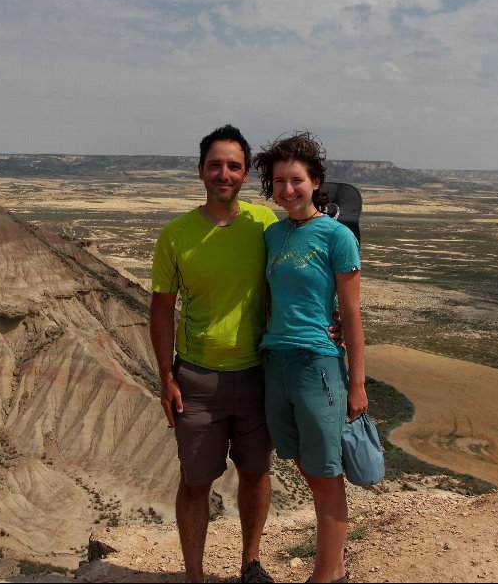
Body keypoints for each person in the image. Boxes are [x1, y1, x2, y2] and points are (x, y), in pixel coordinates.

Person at [150, 124, 278, 584]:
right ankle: (194, 577)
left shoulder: (265, 225)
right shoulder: (176, 235)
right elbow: (162, 310)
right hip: (198, 381)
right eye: (216, 165)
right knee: (196, 482)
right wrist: (165, 375)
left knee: (255, 472)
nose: (224, 173)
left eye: (234, 166)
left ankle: (250, 563)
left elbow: (302, 277)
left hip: (258, 373)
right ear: (201, 170)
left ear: (246, 175)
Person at [252, 132, 367, 584]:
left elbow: (353, 314)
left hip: (317, 366)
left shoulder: (337, 236)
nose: (287, 189)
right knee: (302, 462)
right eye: (279, 181)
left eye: (296, 180)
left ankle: (324, 578)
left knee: (325, 475)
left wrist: (357, 383)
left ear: (315, 181)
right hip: (275, 365)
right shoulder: (273, 234)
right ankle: (333, 566)